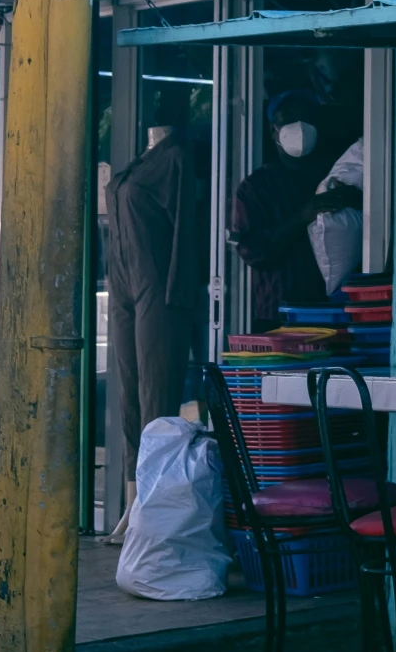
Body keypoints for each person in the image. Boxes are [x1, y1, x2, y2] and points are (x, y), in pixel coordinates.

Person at [107, 120, 208, 522]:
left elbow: (187, 228)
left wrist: (180, 293)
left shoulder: (176, 158)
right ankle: (131, 506)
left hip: (158, 287)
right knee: (129, 395)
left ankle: (151, 509)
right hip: (122, 286)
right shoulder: (137, 163)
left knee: (157, 396)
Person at [230, 92, 356, 329]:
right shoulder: (256, 187)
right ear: (273, 130)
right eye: (288, 120)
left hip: (331, 313)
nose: (298, 128)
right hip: (278, 316)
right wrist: (302, 217)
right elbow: (254, 251)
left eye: (306, 120)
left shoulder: (334, 176)